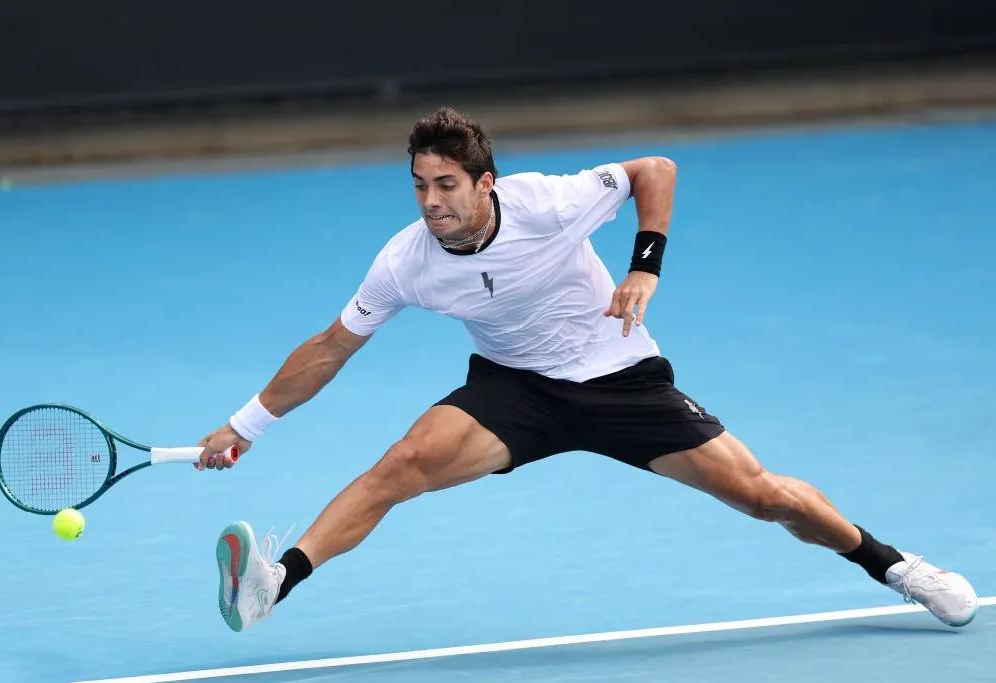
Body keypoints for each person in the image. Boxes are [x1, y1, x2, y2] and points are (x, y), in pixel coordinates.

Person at [198, 107, 977, 633]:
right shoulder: (406, 261)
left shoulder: (547, 202)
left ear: (484, 183)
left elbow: (655, 170)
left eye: (445, 185)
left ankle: (896, 565)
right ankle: (277, 581)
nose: (430, 202)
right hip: (516, 390)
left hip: (620, 379)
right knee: (402, 462)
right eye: (419, 185)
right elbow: (332, 346)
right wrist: (246, 423)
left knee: (762, 495)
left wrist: (645, 269)